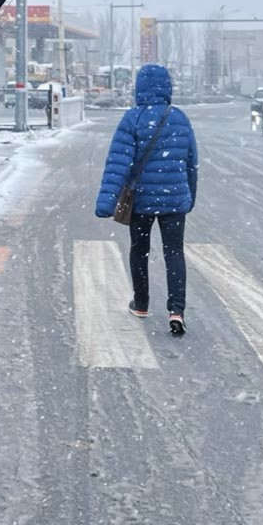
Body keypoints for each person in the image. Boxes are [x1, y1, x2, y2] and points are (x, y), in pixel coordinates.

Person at [95, 63, 198, 337]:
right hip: (174, 201)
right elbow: (191, 163)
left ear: (139, 88)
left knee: (139, 251)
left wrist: (106, 203)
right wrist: (190, 196)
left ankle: (141, 303)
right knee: (174, 253)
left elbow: (118, 164)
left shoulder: (132, 119)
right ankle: (176, 310)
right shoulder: (179, 118)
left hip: (140, 202)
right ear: (167, 88)